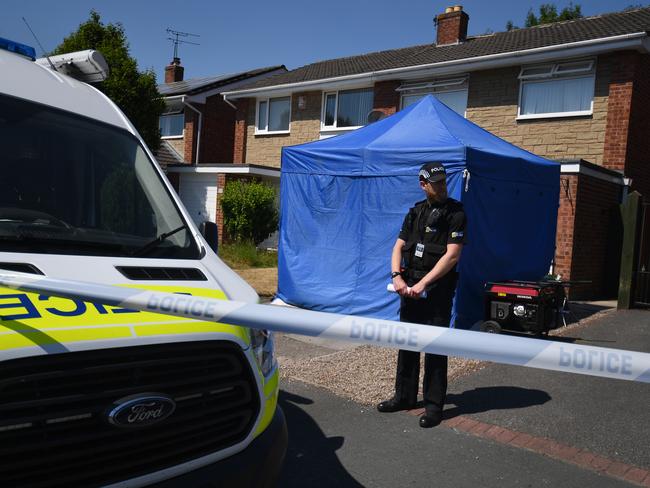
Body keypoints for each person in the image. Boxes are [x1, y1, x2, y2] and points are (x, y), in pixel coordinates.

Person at [377, 161, 466, 428]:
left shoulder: (456, 213)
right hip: (410, 288)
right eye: (435, 183)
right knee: (408, 344)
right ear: (423, 184)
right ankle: (404, 397)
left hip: (436, 291)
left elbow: (452, 256)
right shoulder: (415, 212)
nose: (441, 187)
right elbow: (398, 246)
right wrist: (397, 277)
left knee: (435, 348)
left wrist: (424, 284)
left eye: (443, 182)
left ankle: (433, 406)